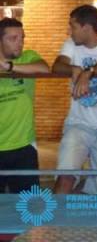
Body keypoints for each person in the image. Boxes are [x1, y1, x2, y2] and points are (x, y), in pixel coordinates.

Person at [53, 4, 97, 195]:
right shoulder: (71, 44)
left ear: (87, 27)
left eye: (73, 26)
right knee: (65, 176)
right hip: (78, 124)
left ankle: (87, 224)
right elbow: (58, 66)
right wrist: (73, 69)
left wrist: (88, 72)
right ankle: (52, 222)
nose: (69, 31)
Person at [0, 18, 49, 193]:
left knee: (27, 204)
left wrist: (9, 66)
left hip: (23, 146)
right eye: (13, 39)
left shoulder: (27, 57)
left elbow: (44, 69)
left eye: (22, 38)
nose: (19, 43)